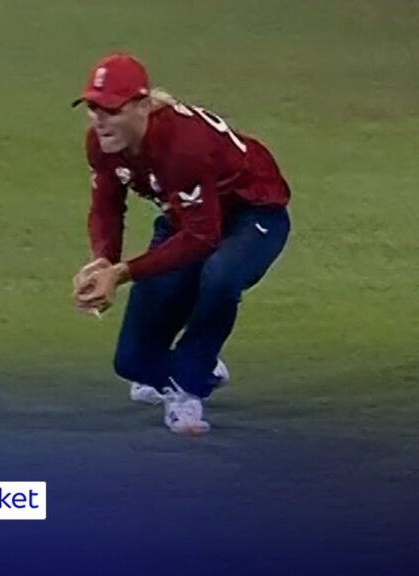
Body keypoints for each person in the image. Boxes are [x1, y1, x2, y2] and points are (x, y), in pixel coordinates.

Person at [71, 53, 290, 436]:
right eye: (92, 108)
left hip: (255, 214)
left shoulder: (181, 146)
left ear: (142, 106)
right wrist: (103, 261)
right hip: (186, 219)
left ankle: (189, 384)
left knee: (220, 276)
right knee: (132, 362)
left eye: (110, 109)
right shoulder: (103, 143)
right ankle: (194, 368)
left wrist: (123, 273)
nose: (99, 119)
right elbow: (106, 204)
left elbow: (203, 238)